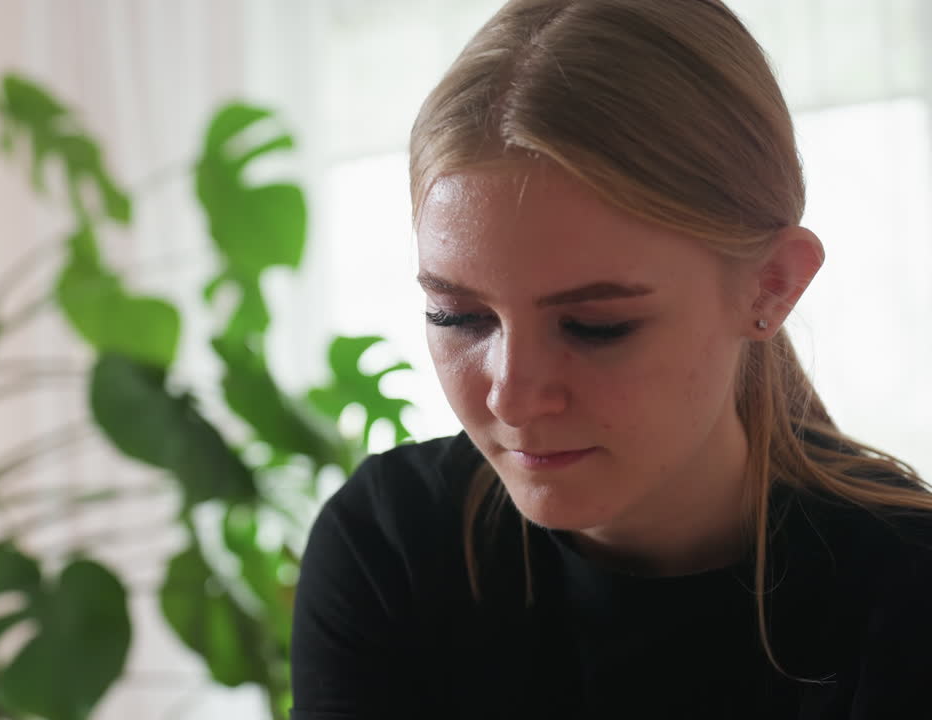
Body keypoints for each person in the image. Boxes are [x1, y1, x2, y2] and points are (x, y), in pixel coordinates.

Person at [288, 0, 932, 717]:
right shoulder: (392, 549)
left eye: (596, 326)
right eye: (459, 317)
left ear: (771, 286)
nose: (512, 396)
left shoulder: (905, 596)